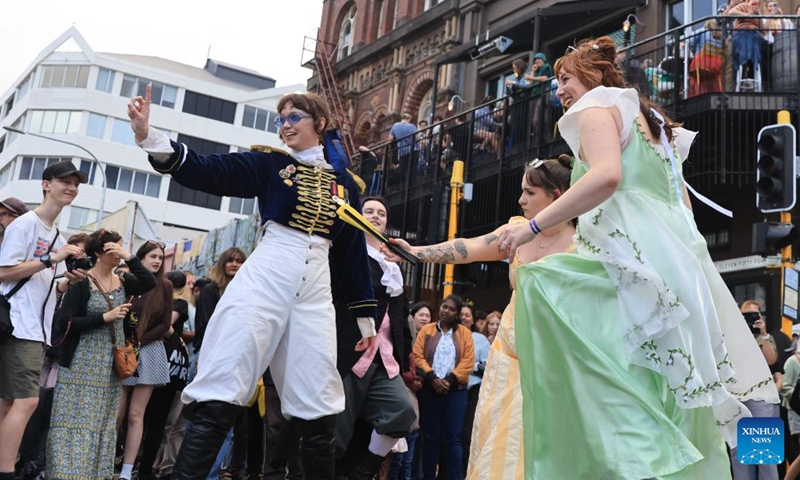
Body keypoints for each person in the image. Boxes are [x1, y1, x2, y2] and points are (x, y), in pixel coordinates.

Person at [496, 36, 779, 478]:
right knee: (669, 385)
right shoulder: (655, 123)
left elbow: (607, 176)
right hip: (678, 258)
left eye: (564, 78)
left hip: (629, 249)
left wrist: (532, 226)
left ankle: (614, 458)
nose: (559, 90)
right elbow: (682, 206)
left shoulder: (594, 109)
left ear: (590, 77)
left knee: (540, 286)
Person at [128, 87, 377, 480]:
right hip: (269, 273)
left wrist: (366, 319)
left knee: (319, 403)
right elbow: (210, 170)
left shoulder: (346, 184)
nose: (285, 126)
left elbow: (350, 253)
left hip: (315, 289)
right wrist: (150, 137)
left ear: (321, 123)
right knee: (224, 383)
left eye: (294, 117)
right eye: (281, 120)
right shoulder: (268, 165)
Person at [385, 155, 575, 480]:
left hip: (558, 361)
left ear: (557, 196)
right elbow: (468, 248)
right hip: (511, 359)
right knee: (506, 442)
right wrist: (416, 252)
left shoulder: (586, 243)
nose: (521, 199)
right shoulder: (515, 231)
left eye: (529, 193)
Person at [0, 160, 87, 480]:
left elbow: (50, 284)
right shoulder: (24, 225)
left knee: (8, 403)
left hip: (37, 330)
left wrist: (69, 281)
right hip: (18, 325)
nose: (71, 188)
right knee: (26, 401)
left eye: (76, 184)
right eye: (64, 181)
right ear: (45, 184)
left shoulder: (58, 234)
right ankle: (7, 471)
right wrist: (51, 259)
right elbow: (4, 272)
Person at [46, 229, 156, 480]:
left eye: (120, 247)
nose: (117, 252)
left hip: (110, 365)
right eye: (112, 248)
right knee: (74, 422)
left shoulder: (124, 279)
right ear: (98, 252)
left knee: (103, 424)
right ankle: (67, 474)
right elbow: (65, 323)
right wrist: (103, 317)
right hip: (80, 363)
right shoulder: (81, 281)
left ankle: (95, 474)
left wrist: (130, 257)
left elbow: (150, 282)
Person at [333, 196, 415, 480]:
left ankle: (364, 471)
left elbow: (400, 320)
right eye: (368, 211)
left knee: (402, 413)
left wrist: (404, 362)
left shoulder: (394, 265)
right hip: (350, 353)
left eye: (381, 213)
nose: (376, 216)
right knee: (335, 434)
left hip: (384, 360)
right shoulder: (345, 252)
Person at [116, 241, 172, 480]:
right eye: (152, 256)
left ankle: (128, 471)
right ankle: (106, 462)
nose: (157, 261)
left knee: (136, 415)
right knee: (116, 414)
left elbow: (165, 324)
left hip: (148, 351)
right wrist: (128, 343)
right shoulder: (127, 280)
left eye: (160, 257)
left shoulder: (165, 286)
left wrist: (139, 341)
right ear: (140, 258)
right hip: (123, 351)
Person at [412, 295, 474, 480]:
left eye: (451, 309)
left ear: (457, 314)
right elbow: (417, 355)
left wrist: (450, 380)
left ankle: (454, 477)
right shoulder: (427, 330)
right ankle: (428, 476)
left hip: (455, 391)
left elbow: (468, 360)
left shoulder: (464, 333)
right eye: (444, 306)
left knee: (453, 438)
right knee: (430, 438)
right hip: (430, 389)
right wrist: (432, 378)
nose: (446, 311)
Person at [730, 300, 779, 480]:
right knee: (739, 452)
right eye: (746, 316)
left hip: (760, 397)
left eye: (755, 315)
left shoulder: (764, 337)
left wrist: (764, 334)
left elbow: (771, 360)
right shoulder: (731, 336)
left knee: (764, 451)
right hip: (737, 397)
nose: (751, 319)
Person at [192, 248, 246, 356]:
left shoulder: (246, 290)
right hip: (210, 351)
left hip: (236, 351)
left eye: (239, 261)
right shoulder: (210, 290)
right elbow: (205, 323)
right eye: (230, 261)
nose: (234, 264)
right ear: (223, 264)